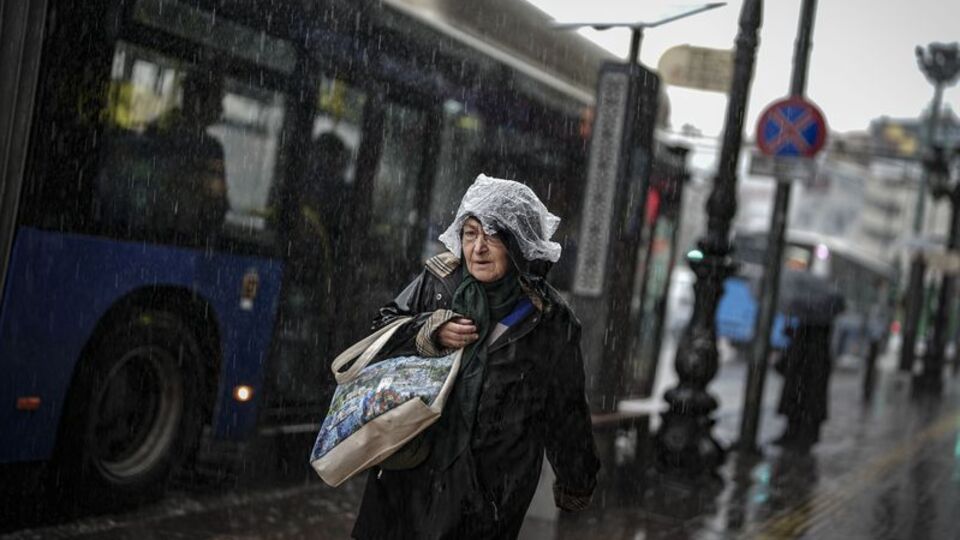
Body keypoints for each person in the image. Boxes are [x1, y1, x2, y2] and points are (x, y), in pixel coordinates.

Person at [352, 174, 600, 539]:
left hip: (489, 493)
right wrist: (427, 331)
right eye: (470, 233)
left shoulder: (549, 320)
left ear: (518, 244)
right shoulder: (439, 283)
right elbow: (381, 332)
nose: (478, 248)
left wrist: (577, 480)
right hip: (410, 473)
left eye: (493, 236)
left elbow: (565, 409)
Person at [774, 270, 846, 451]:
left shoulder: (817, 319)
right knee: (803, 399)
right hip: (806, 365)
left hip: (808, 366)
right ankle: (797, 433)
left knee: (804, 399)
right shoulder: (818, 316)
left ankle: (799, 434)